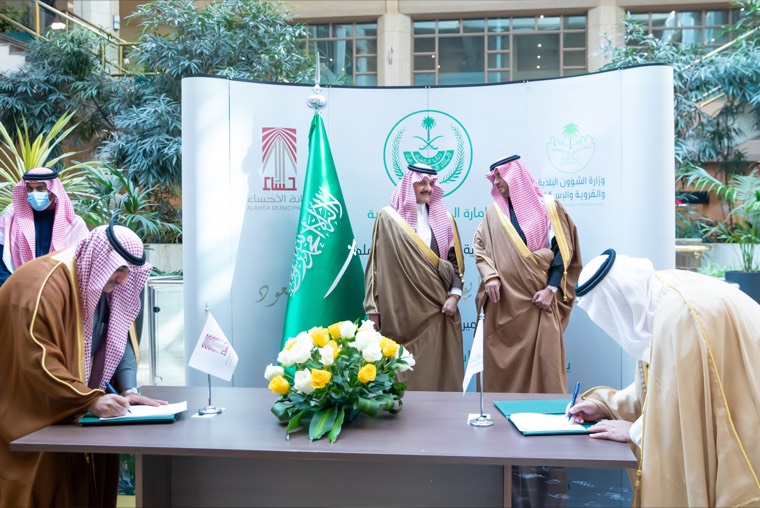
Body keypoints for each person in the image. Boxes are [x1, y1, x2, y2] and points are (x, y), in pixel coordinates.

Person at [569, 249, 760, 507]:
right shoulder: (659, 300)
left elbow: (683, 409)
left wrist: (634, 430)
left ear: (618, 304)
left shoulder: (678, 316)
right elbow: (664, 383)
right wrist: (606, 405)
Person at [0, 220, 166, 507]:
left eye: (129, 273)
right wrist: (89, 400)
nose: (123, 281)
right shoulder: (40, 287)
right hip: (31, 409)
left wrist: (127, 390)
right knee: (45, 482)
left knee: (89, 479)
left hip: (74, 400)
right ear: (99, 260)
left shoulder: (102, 283)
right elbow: (36, 360)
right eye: (119, 270)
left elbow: (116, 335)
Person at [473, 155, 582, 393]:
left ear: (515, 176)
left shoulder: (548, 207)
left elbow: (563, 252)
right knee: (500, 374)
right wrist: (489, 275)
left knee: (546, 368)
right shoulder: (493, 214)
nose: (496, 182)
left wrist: (551, 289)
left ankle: (544, 414)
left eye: (500, 176)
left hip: (539, 304)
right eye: (494, 178)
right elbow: (479, 246)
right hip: (503, 308)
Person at [364, 163, 465, 391]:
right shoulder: (388, 218)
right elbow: (375, 266)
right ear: (410, 185)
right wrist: (373, 308)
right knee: (400, 371)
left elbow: (455, 263)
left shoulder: (445, 219)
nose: (428, 188)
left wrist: (454, 296)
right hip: (400, 314)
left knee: (437, 370)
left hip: (437, 309)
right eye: (422, 183)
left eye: (431, 183)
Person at [0, 167, 89, 287]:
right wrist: (13, 288)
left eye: (40, 189)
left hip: (58, 290)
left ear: (53, 191)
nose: (34, 193)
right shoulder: (10, 219)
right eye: (30, 189)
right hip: (16, 288)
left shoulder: (74, 224)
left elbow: (81, 266)